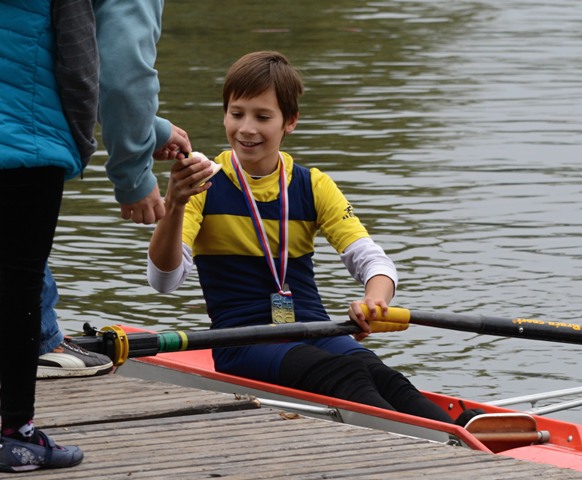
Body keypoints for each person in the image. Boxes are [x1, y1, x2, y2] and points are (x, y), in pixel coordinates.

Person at [146, 51, 455, 424]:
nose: (246, 129)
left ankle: (466, 431)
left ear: (289, 121)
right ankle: (429, 443)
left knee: (386, 378)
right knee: (345, 373)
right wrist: (176, 205)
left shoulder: (313, 185)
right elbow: (164, 281)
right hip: (241, 341)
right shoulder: (202, 184)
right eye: (237, 113)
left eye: (263, 117)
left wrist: (374, 300)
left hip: (315, 329)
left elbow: (373, 260)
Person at [37, 0, 193, 379]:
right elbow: (120, 79)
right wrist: (133, 175)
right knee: (19, 244)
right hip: (24, 133)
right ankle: (39, 341)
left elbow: (58, 55)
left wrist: (150, 130)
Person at [0, 0, 98, 472]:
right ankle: (16, 435)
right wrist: (79, 145)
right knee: (20, 290)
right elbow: (79, 65)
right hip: (30, 146)